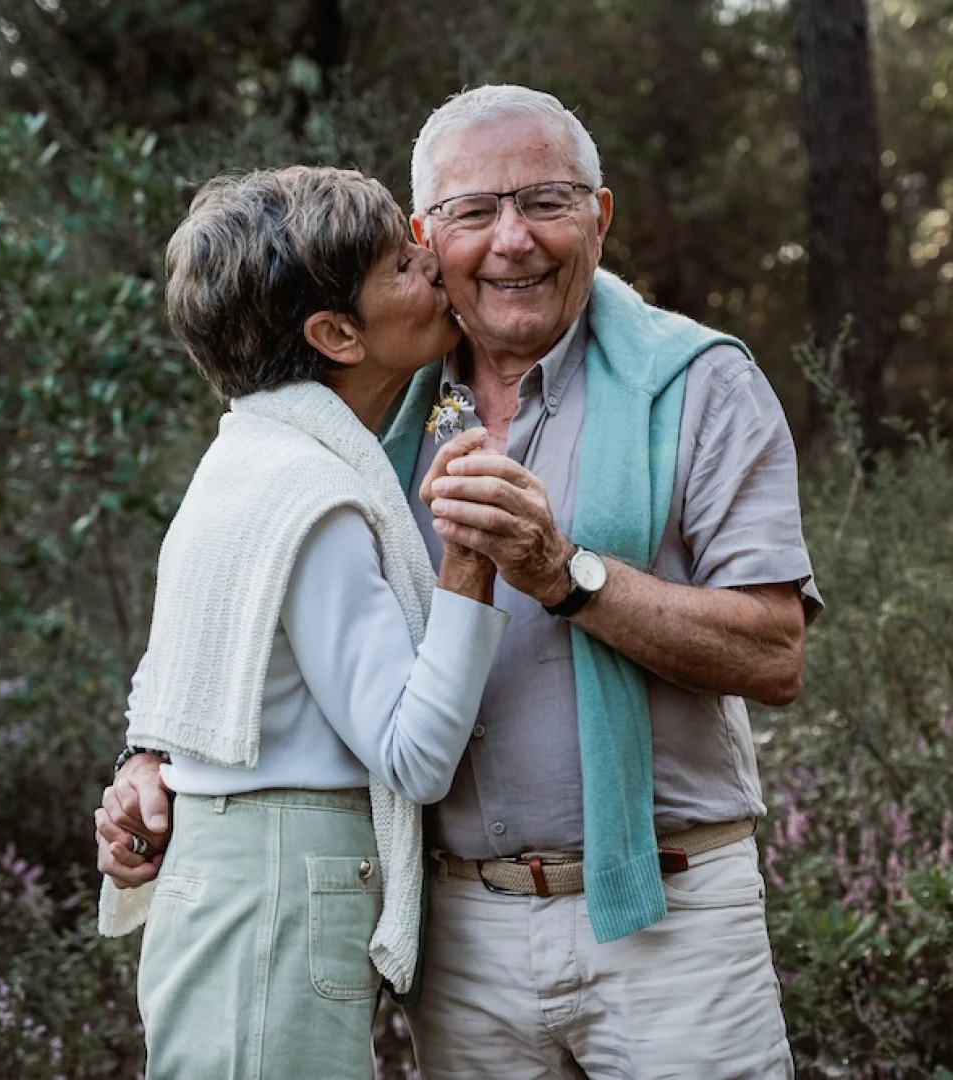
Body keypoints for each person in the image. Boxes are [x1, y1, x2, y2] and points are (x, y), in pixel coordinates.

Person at [100, 85, 820, 1079]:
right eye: (474, 212)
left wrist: (564, 575)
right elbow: (242, 584)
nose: (512, 240)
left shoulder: (697, 385)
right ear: (423, 236)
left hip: (669, 920)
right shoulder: (359, 421)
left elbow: (774, 652)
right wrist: (156, 758)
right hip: (459, 933)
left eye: (547, 203)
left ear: (599, 216)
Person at [95, 165, 510, 1080]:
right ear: (335, 334)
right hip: (280, 891)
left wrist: (141, 762)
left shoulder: (245, 460)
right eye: (402, 264)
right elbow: (412, 755)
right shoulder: (313, 496)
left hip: (234, 885)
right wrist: (469, 562)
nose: (434, 260)